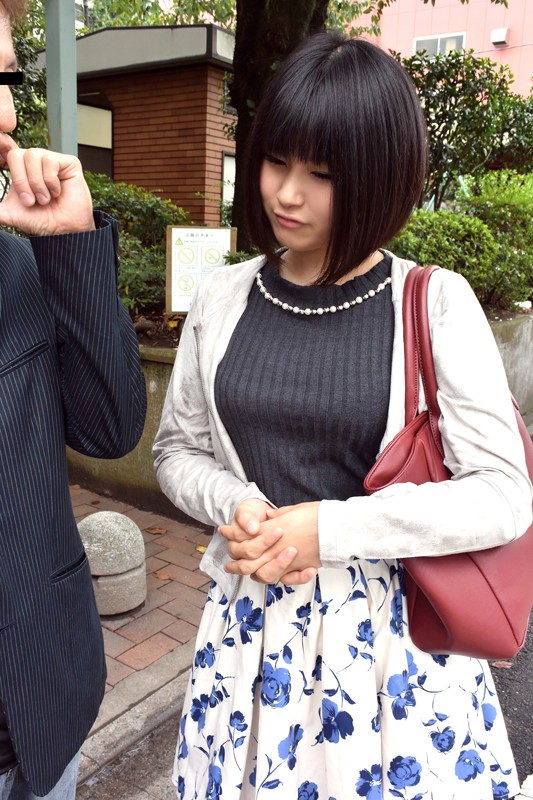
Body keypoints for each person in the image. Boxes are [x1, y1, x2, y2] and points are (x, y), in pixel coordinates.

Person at [153, 30, 532, 800]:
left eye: (321, 174)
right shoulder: (223, 296)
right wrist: (235, 503)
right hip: (250, 629)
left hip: (390, 648)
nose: (286, 194)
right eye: (275, 161)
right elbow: (175, 451)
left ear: (378, 176)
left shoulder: (434, 302)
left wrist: (325, 529)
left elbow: (502, 493)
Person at [0, 0, 146, 797]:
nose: (6, 112)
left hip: (40, 716)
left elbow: (111, 427)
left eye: (7, 79)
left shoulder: (16, 268)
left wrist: (73, 247)